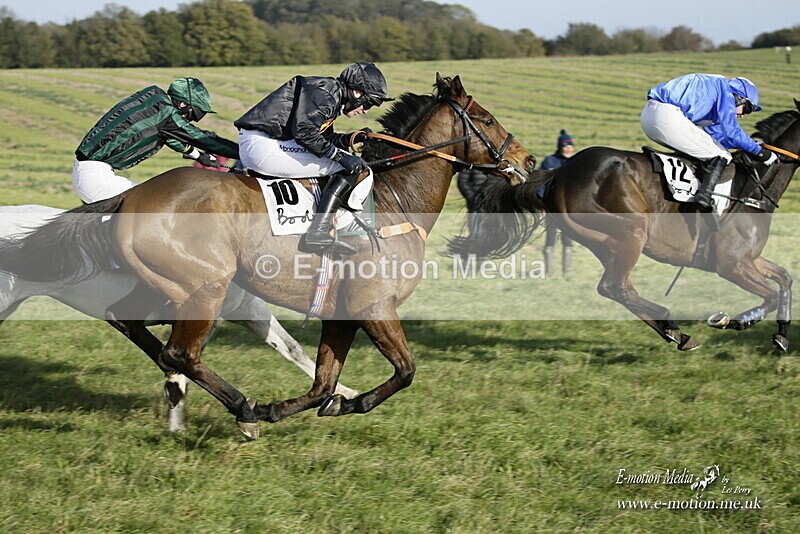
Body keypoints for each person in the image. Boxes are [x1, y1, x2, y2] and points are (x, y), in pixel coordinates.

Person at [234, 62, 393, 256]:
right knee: (351, 169)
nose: (366, 110)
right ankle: (318, 231)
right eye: (369, 103)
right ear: (357, 93)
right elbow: (304, 132)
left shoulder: (330, 94)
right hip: (263, 145)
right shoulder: (326, 94)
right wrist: (340, 156)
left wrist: (350, 138)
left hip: (261, 142)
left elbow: (323, 138)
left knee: (345, 160)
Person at [73, 77, 239, 203]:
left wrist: (197, 156)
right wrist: (244, 153)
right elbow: (203, 138)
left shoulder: (154, 99)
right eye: (193, 114)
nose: (191, 120)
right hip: (94, 179)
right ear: (182, 105)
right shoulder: (166, 115)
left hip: (90, 172)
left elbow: (169, 136)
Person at [641, 74, 778, 212]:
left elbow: (716, 136)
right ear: (739, 97)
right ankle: (704, 198)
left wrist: (745, 145)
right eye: (747, 109)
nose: (742, 115)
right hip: (667, 117)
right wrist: (760, 153)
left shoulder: (716, 93)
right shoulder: (726, 93)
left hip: (650, 115)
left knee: (710, 150)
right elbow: (731, 131)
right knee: (723, 156)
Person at [540, 130, 576, 275]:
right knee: (550, 238)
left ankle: (566, 272)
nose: (568, 149)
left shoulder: (575, 162)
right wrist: (541, 204)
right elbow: (540, 184)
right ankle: (549, 271)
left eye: (570, 146)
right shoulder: (549, 162)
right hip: (551, 207)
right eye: (565, 146)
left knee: (568, 239)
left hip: (569, 209)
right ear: (560, 147)